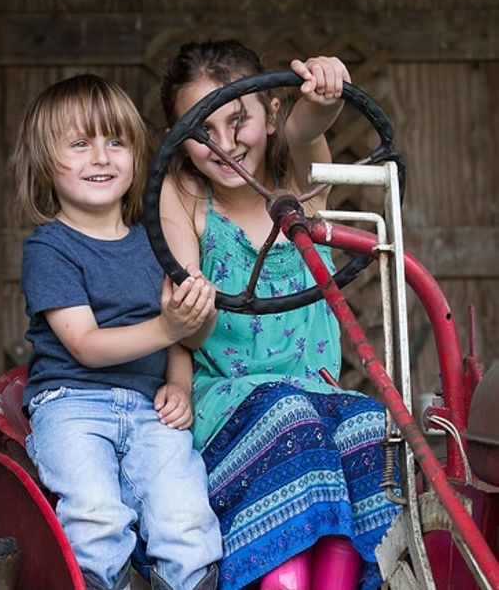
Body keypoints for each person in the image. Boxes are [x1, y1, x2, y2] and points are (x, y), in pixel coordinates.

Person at [158, 40, 401, 590]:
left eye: (237, 120)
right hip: (230, 399)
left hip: (313, 392)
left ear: (270, 115)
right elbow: (185, 327)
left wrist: (325, 88)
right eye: (202, 132)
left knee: (368, 422)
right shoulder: (185, 197)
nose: (223, 146)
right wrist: (187, 314)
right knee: (290, 418)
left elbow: (312, 120)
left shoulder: (300, 185)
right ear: (179, 139)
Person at [11, 73, 222, 590]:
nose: (101, 157)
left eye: (115, 141)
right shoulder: (50, 248)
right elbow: (86, 346)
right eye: (80, 144)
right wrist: (169, 324)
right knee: (95, 513)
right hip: (72, 404)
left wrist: (179, 382)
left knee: (186, 516)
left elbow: (182, 334)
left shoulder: (156, 244)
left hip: (151, 410)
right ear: (45, 162)